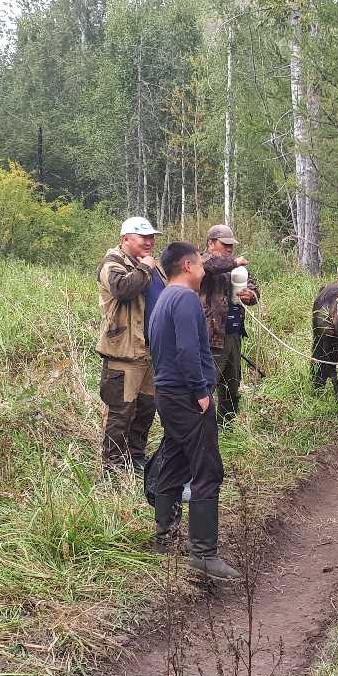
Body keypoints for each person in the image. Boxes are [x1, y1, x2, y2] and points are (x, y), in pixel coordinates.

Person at [148, 240, 240, 580]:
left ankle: (164, 538)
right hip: (186, 397)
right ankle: (203, 553)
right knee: (207, 470)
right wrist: (201, 393)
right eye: (200, 265)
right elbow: (187, 350)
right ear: (187, 266)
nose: (204, 271)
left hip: (168, 395)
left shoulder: (163, 299)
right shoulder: (185, 298)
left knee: (173, 462)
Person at [96, 216, 166, 473]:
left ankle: (135, 457)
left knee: (147, 408)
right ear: (125, 239)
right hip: (124, 352)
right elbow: (123, 289)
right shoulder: (112, 264)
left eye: (152, 237)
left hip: (150, 351)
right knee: (121, 411)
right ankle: (113, 466)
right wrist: (146, 268)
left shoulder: (153, 265)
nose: (150, 241)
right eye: (143, 237)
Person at [199, 224, 259, 423]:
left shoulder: (235, 267)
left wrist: (251, 295)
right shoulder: (201, 262)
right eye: (224, 244)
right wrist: (234, 262)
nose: (229, 248)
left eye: (231, 245)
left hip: (233, 334)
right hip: (212, 337)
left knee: (232, 385)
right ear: (210, 243)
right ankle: (201, 430)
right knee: (208, 385)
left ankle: (227, 428)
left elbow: (254, 286)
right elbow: (209, 265)